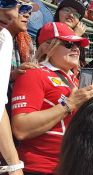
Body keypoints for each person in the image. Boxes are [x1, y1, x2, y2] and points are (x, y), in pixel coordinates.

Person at [10, 22, 93, 174]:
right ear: (47, 47)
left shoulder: (76, 80)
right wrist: (69, 104)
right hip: (40, 168)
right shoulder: (33, 74)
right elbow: (21, 128)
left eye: (77, 44)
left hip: (72, 165)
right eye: (68, 44)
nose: (75, 48)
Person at [0, 1, 24, 174]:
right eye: (6, 2)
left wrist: (14, 166)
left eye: (20, 8)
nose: (14, 14)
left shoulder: (4, 38)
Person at [54, 0, 87, 67]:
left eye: (76, 14)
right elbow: (52, 54)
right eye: (67, 10)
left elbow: (81, 60)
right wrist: (75, 35)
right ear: (58, 12)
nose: (71, 15)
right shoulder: (47, 30)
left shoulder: (82, 37)